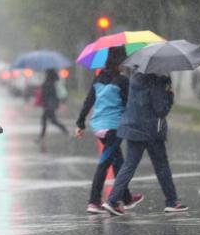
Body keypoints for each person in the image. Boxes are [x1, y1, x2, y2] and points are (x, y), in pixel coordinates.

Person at [102, 72, 188, 215]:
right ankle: (172, 201)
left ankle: (111, 201)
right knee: (161, 166)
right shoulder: (159, 79)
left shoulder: (136, 77)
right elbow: (161, 109)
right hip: (151, 130)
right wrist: (170, 95)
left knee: (129, 165)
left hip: (133, 126)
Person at [75, 47, 144, 214]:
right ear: (120, 62)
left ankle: (126, 198)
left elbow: (89, 101)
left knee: (118, 161)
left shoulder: (98, 78)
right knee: (104, 163)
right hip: (113, 127)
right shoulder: (122, 81)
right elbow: (130, 104)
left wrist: (80, 122)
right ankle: (94, 201)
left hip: (98, 126)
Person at [36, 69, 68, 142]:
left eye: (46, 73)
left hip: (49, 105)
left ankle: (41, 137)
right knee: (51, 120)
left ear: (48, 74)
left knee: (47, 120)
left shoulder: (49, 83)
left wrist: (43, 87)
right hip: (50, 105)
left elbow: (47, 94)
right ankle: (65, 130)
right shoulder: (51, 82)